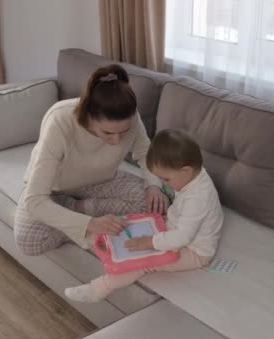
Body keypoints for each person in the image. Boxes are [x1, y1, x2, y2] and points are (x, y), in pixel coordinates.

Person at [14, 64, 168, 256]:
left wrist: (153, 185)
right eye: (108, 133)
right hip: (55, 188)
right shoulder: (60, 120)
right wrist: (90, 224)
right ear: (88, 117)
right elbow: (34, 200)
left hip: (100, 181)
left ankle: (77, 207)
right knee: (29, 241)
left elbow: (146, 153)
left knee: (155, 204)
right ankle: (72, 210)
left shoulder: (131, 117)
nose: (117, 141)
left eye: (124, 132)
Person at [65, 129, 224, 302]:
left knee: (146, 262)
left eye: (166, 179)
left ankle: (99, 289)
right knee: (137, 223)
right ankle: (103, 240)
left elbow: (183, 237)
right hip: (176, 228)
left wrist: (149, 242)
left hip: (195, 251)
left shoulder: (198, 197)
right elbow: (182, 212)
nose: (164, 184)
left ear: (186, 170)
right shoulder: (192, 175)